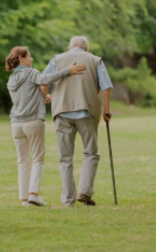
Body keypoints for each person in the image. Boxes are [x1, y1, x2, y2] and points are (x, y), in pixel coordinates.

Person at [6, 46, 86, 206]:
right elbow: (46, 80)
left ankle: (24, 199)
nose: (32, 59)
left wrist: (42, 97)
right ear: (21, 58)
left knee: (22, 162)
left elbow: (25, 97)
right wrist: (68, 71)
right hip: (33, 121)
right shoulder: (31, 73)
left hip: (16, 123)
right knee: (38, 159)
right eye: (29, 56)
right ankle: (33, 193)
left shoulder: (12, 79)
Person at [43, 36, 113, 206]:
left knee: (65, 158)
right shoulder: (95, 60)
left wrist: (47, 96)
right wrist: (106, 110)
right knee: (91, 153)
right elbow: (106, 87)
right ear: (86, 49)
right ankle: (84, 192)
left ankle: (68, 200)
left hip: (62, 112)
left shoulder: (57, 59)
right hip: (87, 112)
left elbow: (44, 82)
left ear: (70, 47)